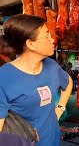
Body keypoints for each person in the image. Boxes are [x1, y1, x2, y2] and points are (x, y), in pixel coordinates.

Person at [0, 14, 73, 146]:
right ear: (30, 44)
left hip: (53, 140)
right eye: (47, 35)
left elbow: (68, 83)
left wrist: (60, 108)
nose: (52, 40)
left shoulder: (51, 66)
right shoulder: (4, 78)